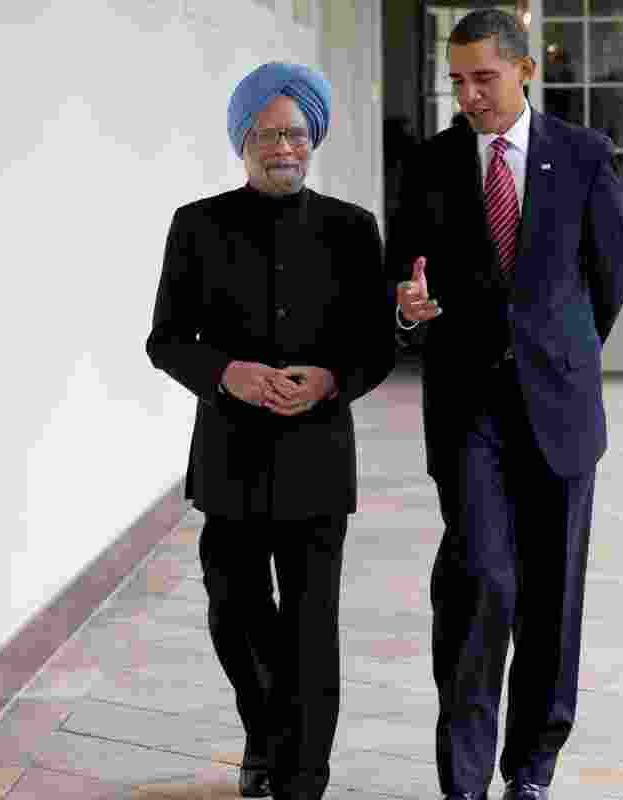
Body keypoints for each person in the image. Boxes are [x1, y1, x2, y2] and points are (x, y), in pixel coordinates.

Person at [387, 10, 623, 800]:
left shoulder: (586, 157)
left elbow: (608, 280)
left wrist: (556, 353)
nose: (468, 95)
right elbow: (402, 276)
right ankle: (463, 780)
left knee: (553, 599)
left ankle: (531, 770)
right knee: (480, 582)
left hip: (558, 409)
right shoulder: (427, 164)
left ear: (523, 69)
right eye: (456, 81)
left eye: (482, 78)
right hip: (468, 412)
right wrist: (408, 310)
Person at [145, 62, 394, 800]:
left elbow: (375, 346)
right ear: (242, 142)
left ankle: (300, 778)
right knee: (235, 611)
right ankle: (265, 731)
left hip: (318, 459)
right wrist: (227, 373)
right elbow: (166, 339)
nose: (283, 145)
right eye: (266, 133)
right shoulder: (197, 225)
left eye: (294, 132)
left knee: (312, 630)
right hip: (230, 457)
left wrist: (327, 380)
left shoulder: (353, 229)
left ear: (313, 137)